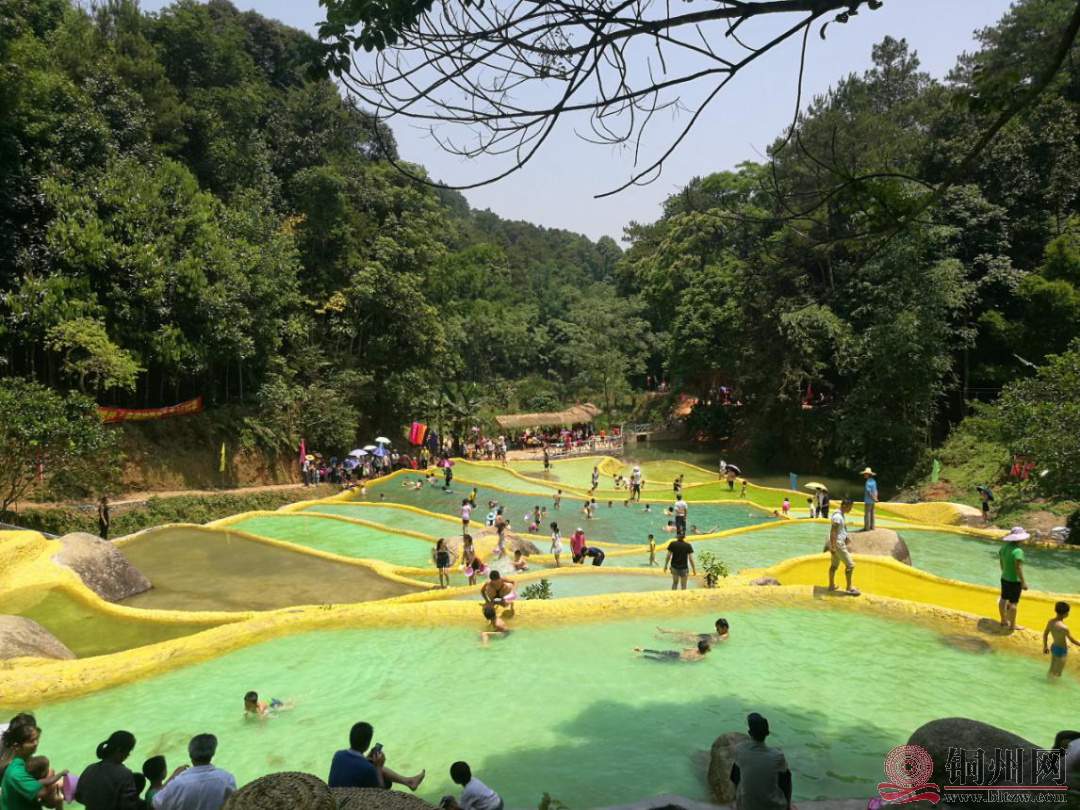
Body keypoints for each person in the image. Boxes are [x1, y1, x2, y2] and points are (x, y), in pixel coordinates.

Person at [327, 723, 425, 792]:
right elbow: (379, 793)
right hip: (352, 801)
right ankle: (409, 782)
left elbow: (353, 766)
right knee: (382, 776)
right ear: (367, 744)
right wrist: (378, 767)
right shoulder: (367, 768)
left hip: (335, 796)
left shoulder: (338, 755)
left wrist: (365, 759)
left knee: (372, 764)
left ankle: (409, 781)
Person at [151, 735, 235, 810]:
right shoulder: (226, 779)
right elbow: (234, 804)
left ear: (190, 754)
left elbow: (155, 804)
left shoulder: (178, 783)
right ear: (213, 753)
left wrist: (173, 776)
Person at [730, 713, 792, 810]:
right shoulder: (777, 756)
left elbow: (734, 777)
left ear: (749, 733)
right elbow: (786, 781)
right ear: (767, 733)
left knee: (736, 768)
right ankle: (788, 806)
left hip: (746, 807)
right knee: (785, 774)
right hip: (773, 808)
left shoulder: (739, 749)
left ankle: (738, 803)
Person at [1, 724, 67, 810]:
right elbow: (44, 794)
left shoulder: (26, 762)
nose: (35, 744)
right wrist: (51, 777)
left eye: (36, 739)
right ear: (17, 746)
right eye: (31, 741)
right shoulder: (16, 773)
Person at [75, 730, 140, 810]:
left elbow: (78, 796)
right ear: (118, 750)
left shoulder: (89, 769)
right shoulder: (125, 773)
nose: (128, 755)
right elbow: (128, 805)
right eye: (128, 751)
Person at [998, 527, 1029, 631]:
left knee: (1003, 599)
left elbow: (1001, 562)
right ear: (1020, 539)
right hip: (1014, 581)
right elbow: (1018, 568)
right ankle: (1012, 626)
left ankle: (1003, 620)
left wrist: (1004, 572)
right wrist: (1023, 582)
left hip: (1004, 578)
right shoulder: (1018, 551)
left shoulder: (1004, 548)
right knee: (1013, 603)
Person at [827, 498, 859, 596]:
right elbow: (832, 531)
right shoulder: (838, 517)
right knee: (850, 565)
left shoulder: (838, 514)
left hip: (836, 543)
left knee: (834, 565)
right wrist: (833, 546)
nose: (850, 509)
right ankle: (849, 588)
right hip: (838, 544)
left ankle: (831, 585)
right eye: (850, 507)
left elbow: (837, 530)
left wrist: (845, 537)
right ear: (844, 506)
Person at [1044, 601, 1079, 678]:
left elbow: (1045, 634)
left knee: (1051, 669)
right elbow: (1072, 641)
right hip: (1061, 650)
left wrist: (1045, 646)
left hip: (1054, 647)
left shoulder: (1050, 622)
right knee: (1058, 673)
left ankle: (1047, 681)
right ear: (1066, 614)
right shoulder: (1064, 628)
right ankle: (1053, 685)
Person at [656, 618, 730, 645]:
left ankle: (663, 639)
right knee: (685, 632)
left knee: (684, 638)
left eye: (718, 628)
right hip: (705, 637)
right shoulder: (722, 634)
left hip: (703, 639)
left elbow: (717, 640)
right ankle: (664, 631)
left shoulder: (724, 636)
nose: (717, 630)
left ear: (724, 628)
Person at [633, 640, 712, 662]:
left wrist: (685, 652)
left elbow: (685, 649)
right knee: (658, 659)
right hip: (676, 658)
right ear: (706, 650)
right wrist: (685, 660)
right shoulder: (703, 656)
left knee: (659, 652)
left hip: (676, 653)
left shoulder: (695, 649)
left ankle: (641, 650)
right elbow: (693, 661)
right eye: (710, 646)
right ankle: (643, 656)